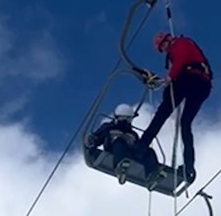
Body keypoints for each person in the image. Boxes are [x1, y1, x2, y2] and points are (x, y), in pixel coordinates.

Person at [133, 31, 213, 185]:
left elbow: (180, 58)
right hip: (202, 84)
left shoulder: (179, 44)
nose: (164, 49)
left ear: (167, 40)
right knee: (185, 124)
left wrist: (170, 77)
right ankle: (189, 166)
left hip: (189, 79)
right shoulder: (186, 48)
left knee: (162, 113)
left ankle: (141, 146)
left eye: (163, 46)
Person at [86, 104, 165, 187]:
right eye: (127, 120)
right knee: (120, 142)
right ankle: (119, 167)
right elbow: (97, 137)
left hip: (130, 153)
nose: (128, 122)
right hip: (114, 151)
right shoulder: (109, 128)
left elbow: (138, 146)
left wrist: (137, 146)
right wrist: (92, 142)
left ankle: (152, 175)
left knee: (149, 151)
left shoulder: (132, 133)